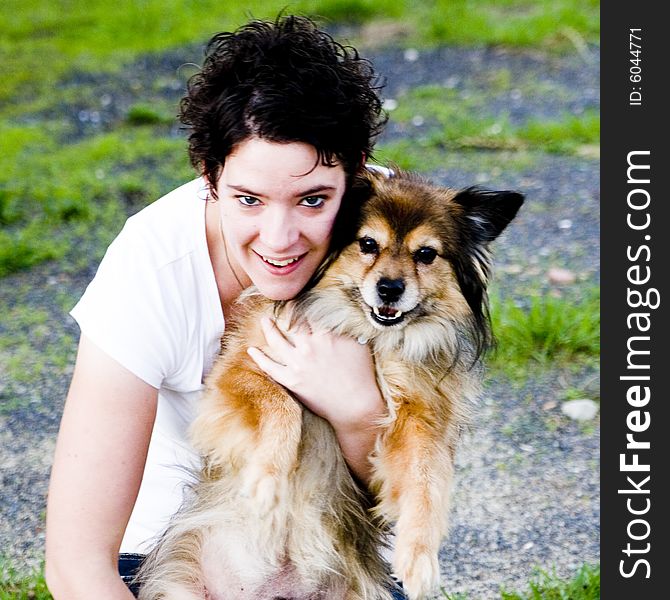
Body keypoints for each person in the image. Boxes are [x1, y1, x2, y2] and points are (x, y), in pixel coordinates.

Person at [44, 14, 405, 599]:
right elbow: (74, 563)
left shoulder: (393, 252)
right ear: (208, 174)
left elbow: (406, 506)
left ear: (358, 172)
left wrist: (359, 413)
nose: (279, 237)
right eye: (249, 199)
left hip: (327, 552)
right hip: (179, 552)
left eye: (313, 200)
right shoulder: (151, 268)